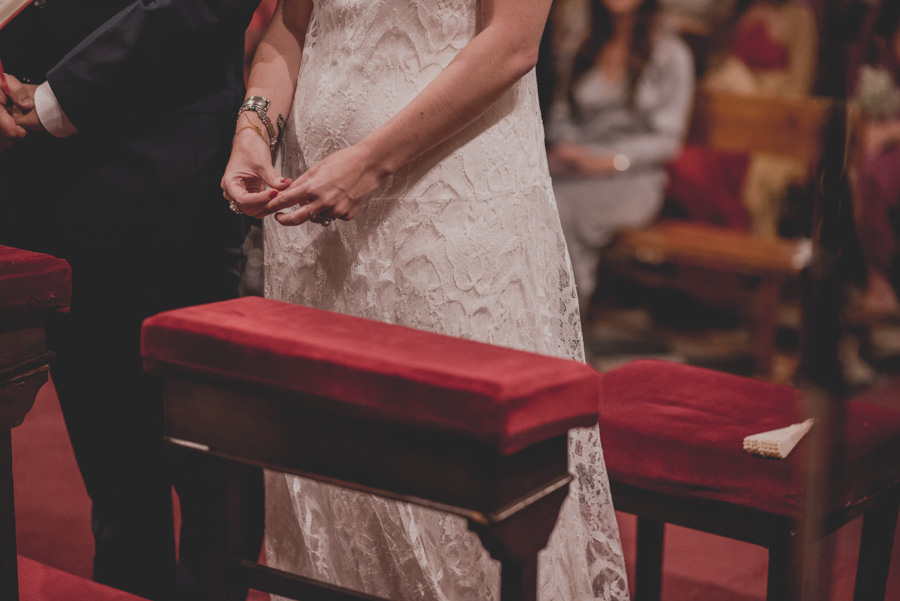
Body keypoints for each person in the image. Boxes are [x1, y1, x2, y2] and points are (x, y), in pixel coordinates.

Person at [221, 0, 630, 599]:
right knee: (330, 461)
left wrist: (370, 162)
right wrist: (254, 129)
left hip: (447, 203)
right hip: (313, 207)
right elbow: (293, 22)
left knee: (451, 474)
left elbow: (513, 43)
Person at [0, 1, 265, 599]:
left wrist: (52, 100)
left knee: (211, 471)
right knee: (116, 477)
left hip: (164, 162)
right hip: (33, 172)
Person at [544, 0, 695, 317]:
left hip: (634, 177)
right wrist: (572, 149)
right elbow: (559, 117)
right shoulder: (580, 42)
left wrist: (612, 160)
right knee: (525, 193)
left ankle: (566, 322)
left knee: (559, 206)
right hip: (575, 168)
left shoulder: (672, 54)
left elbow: (668, 141)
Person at [667, 0, 819, 237]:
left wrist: (754, 90)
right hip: (727, 117)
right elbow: (720, 65)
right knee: (685, 162)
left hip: (767, 126)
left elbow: (799, 86)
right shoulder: (737, 11)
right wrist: (725, 81)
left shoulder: (800, 17)